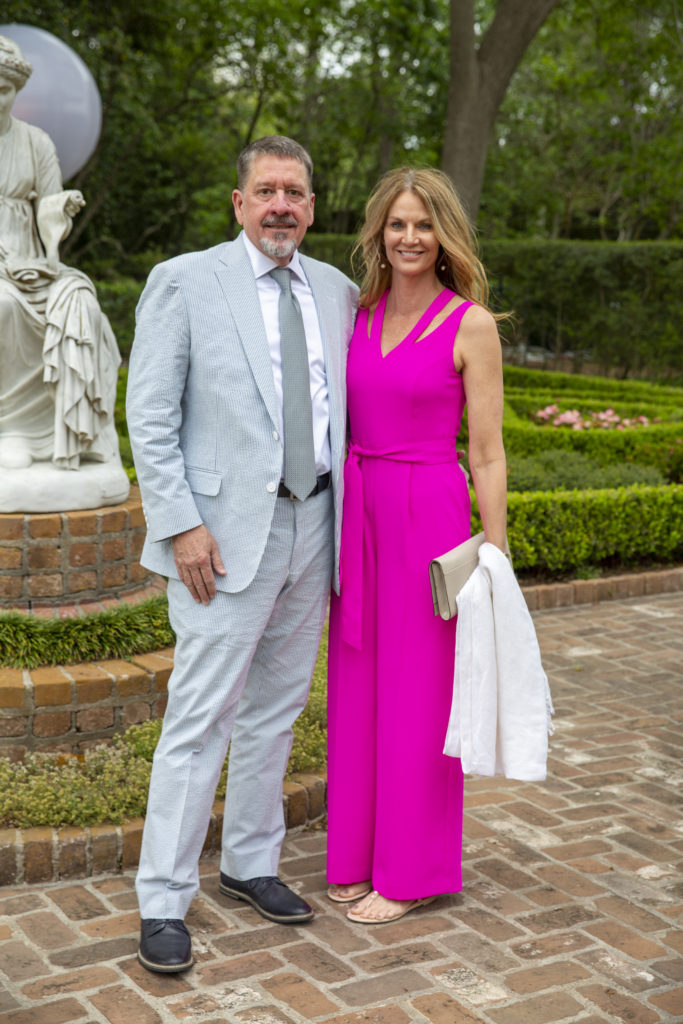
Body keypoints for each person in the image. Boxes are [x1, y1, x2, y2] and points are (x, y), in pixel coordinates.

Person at [126, 135, 358, 972]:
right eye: (266, 190)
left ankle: (252, 862)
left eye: (295, 192)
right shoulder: (186, 281)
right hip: (217, 543)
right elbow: (148, 415)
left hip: (315, 526)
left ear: (310, 204)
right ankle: (162, 898)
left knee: (277, 709)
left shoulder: (336, 290)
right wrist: (181, 523)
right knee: (200, 718)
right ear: (238, 202)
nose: (281, 206)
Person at [326, 167, 508, 924]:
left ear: (444, 238)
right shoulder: (355, 313)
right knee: (358, 687)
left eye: (423, 225)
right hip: (357, 514)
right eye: (396, 224)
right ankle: (355, 855)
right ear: (379, 233)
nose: (408, 238)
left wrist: (493, 553)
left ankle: (411, 872)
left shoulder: (470, 324)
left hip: (427, 516)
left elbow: (489, 453)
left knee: (420, 695)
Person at [0, 35, 120, 473]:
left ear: (16, 91)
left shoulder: (36, 142)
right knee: (3, 306)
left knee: (80, 303)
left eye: (4, 89)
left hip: (30, 259)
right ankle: (10, 429)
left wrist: (59, 208)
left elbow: (47, 203)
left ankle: (67, 431)